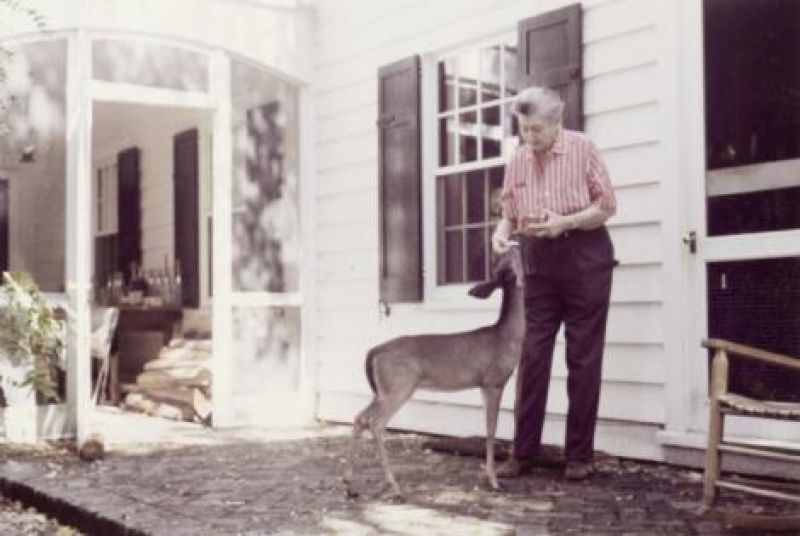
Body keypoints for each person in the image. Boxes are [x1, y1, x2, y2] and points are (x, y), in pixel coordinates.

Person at [492, 86, 617, 481]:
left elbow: (608, 205)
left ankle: (578, 456)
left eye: (538, 130)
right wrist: (501, 230)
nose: (531, 138)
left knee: (582, 356)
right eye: (525, 130)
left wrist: (566, 221)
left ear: (558, 122)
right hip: (538, 262)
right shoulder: (518, 159)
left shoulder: (583, 148)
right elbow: (509, 211)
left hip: (584, 256)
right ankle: (522, 453)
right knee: (532, 355)